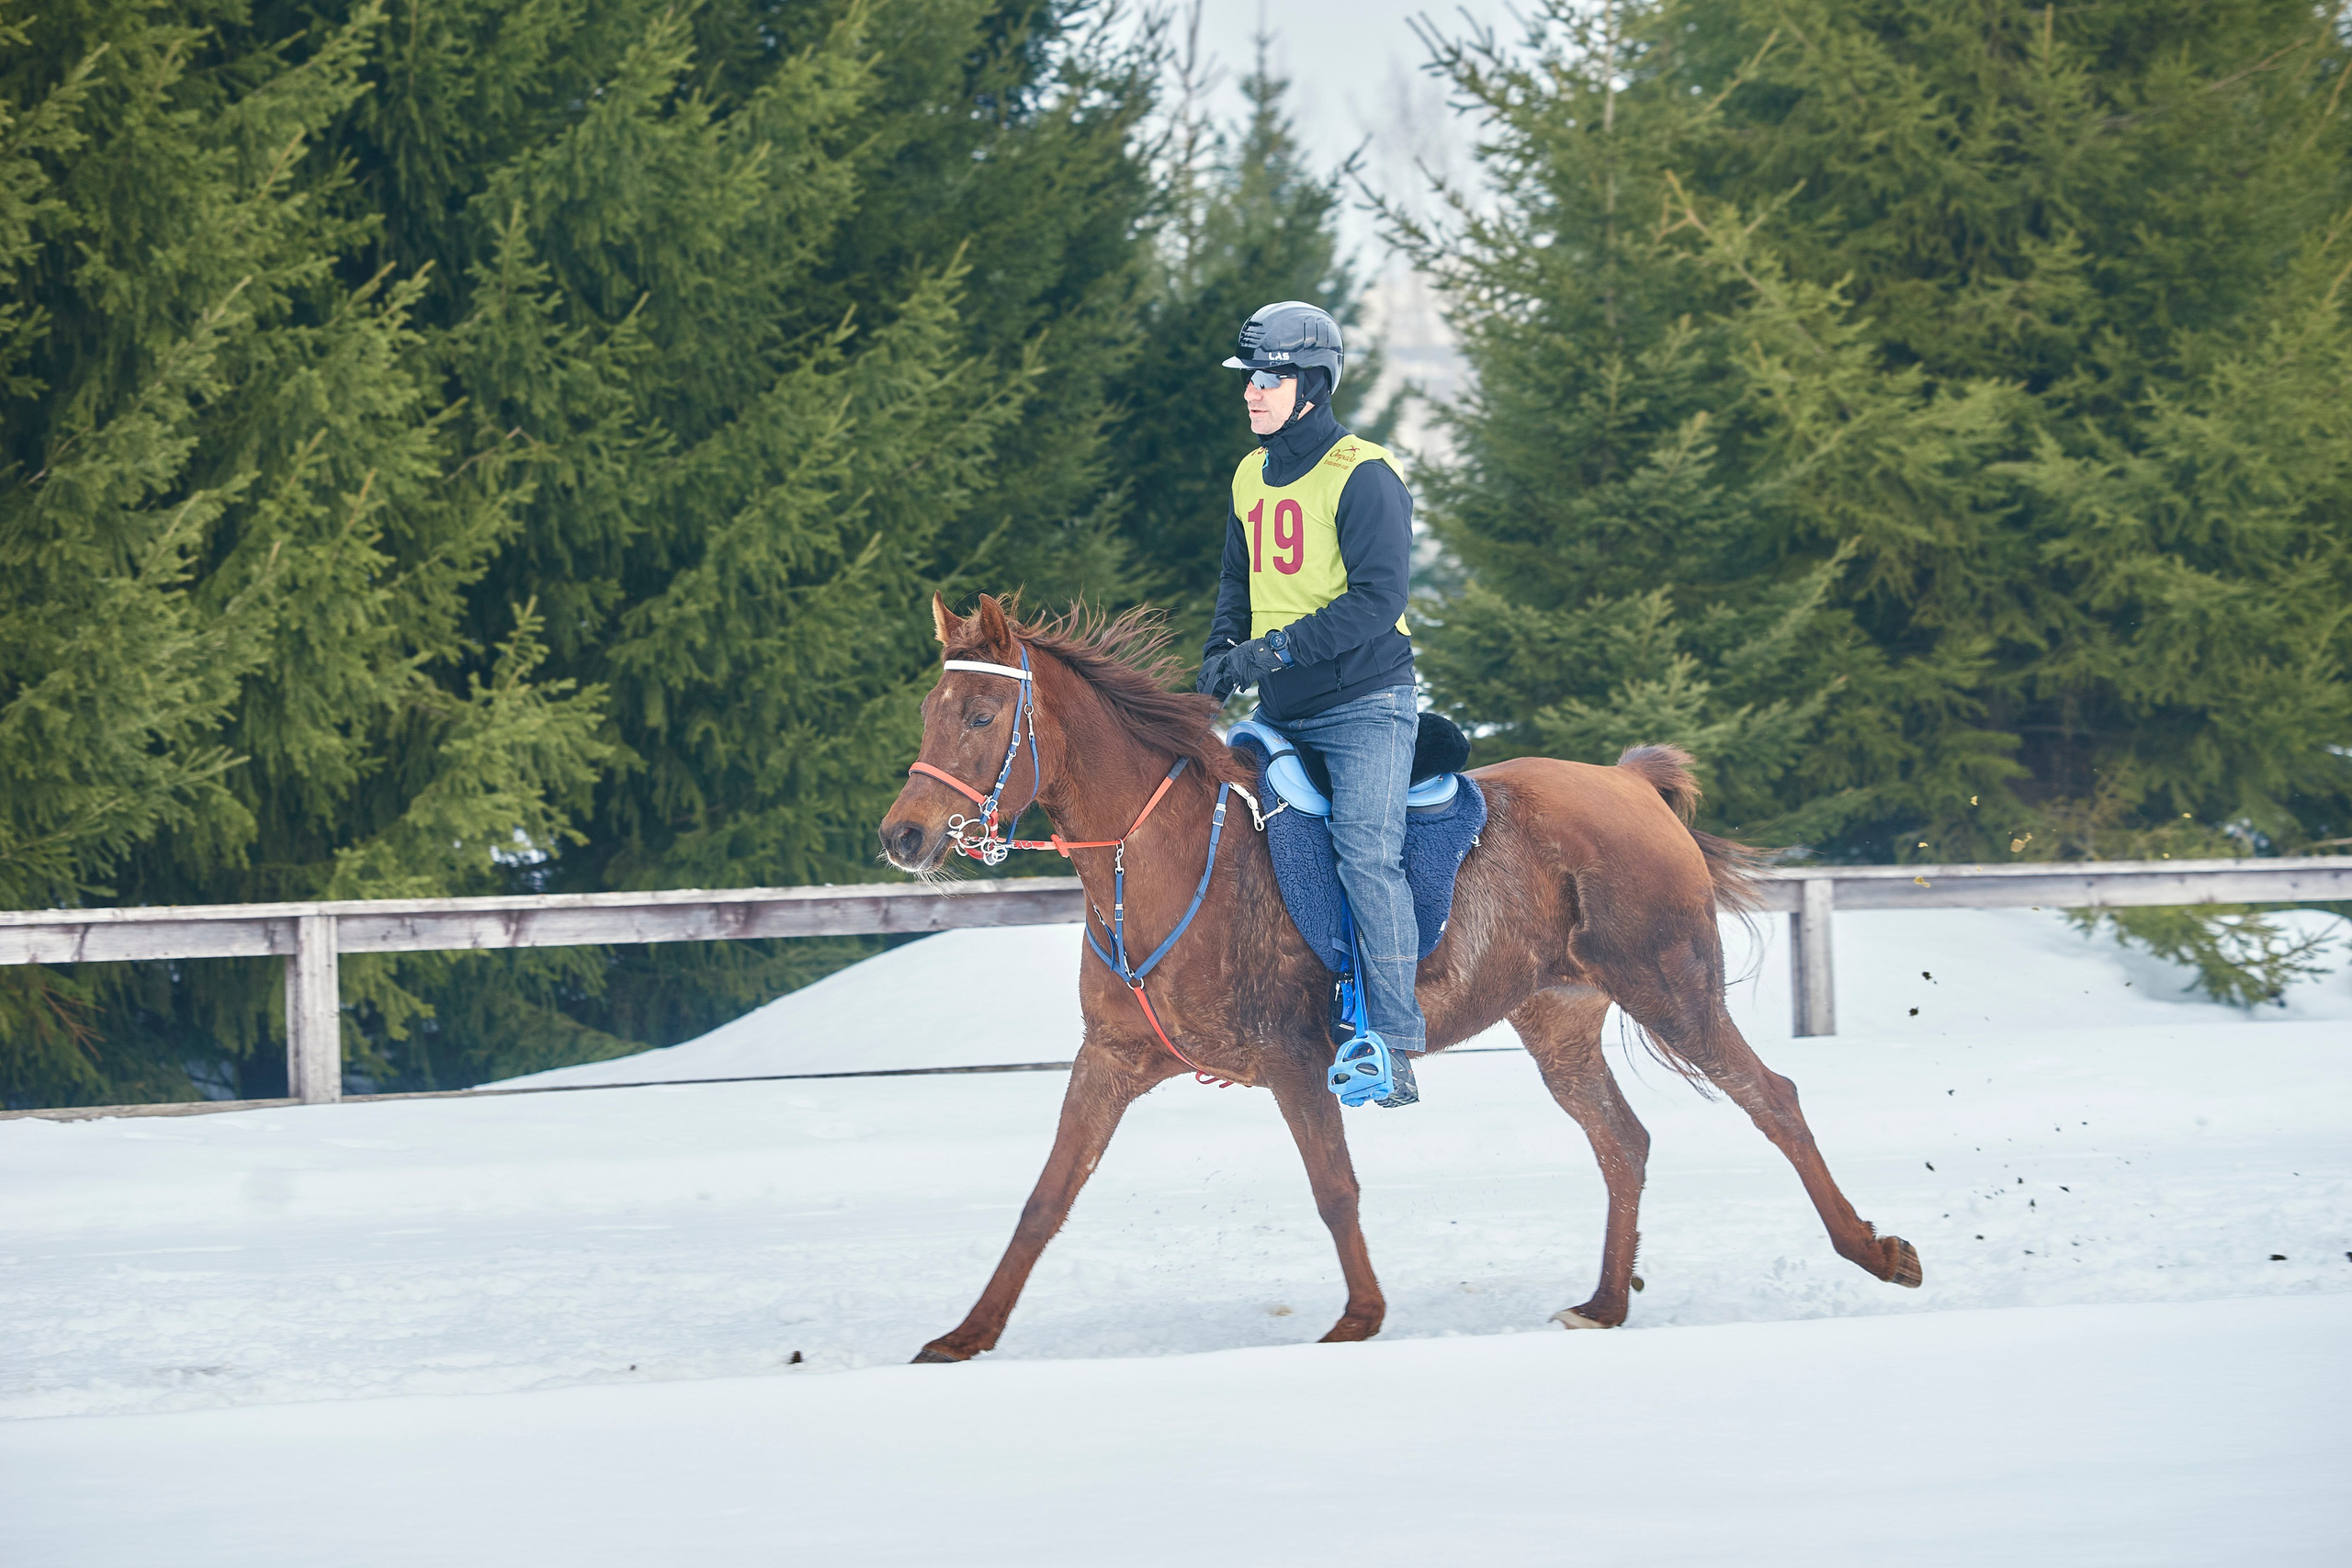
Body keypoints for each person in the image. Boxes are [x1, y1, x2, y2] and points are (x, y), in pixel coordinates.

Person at [1196, 300, 1426, 1106]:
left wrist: (1271, 651)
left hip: (1366, 705)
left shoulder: (1364, 473)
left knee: (1366, 852)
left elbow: (1377, 600)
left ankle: (1392, 1044)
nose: (1251, 392)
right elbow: (1238, 581)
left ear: (1313, 386)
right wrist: (1219, 657)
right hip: (1280, 712)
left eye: (1269, 378)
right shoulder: (1247, 475)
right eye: (1249, 379)